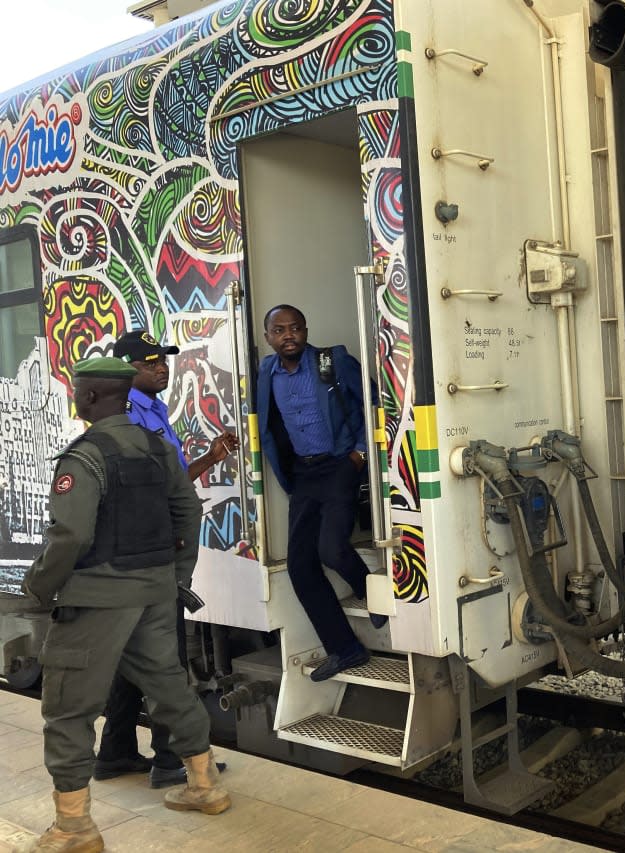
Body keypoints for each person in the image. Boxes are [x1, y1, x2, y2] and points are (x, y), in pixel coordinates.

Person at [21, 357, 230, 853]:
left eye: (77, 389)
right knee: (168, 685)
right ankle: (204, 786)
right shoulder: (158, 448)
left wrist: (38, 588)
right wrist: (177, 575)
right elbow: (189, 510)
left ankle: (74, 830)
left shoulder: (85, 456)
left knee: (69, 710)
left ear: (90, 398)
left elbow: (70, 535)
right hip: (155, 593)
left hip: (97, 600)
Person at [94, 330, 238, 788]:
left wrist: (209, 459)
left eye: (164, 360)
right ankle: (171, 759)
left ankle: (115, 754)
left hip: (151, 551)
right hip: (149, 556)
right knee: (165, 657)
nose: (162, 367)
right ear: (126, 369)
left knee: (135, 655)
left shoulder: (152, 410)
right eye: (150, 361)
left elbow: (170, 480)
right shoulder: (128, 416)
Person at [256, 304, 385, 682]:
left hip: (339, 465)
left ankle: (370, 592)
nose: (288, 335)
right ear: (268, 337)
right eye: (279, 330)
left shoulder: (333, 361)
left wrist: (360, 452)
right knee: (300, 566)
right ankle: (345, 650)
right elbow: (267, 423)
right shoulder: (266, 372)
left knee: (331, 548)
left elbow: (373, 402)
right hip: (303, 473)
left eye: (295, 328)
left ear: (306, 330)